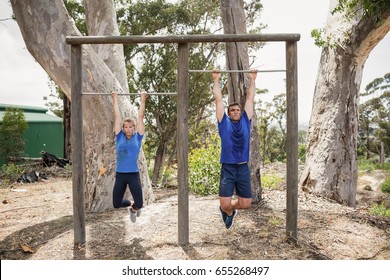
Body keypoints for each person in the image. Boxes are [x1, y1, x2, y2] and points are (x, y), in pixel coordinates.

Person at [211, 69, 257, 229]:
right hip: (228, 168)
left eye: (238, 110)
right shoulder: (224, 123)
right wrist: (216, 80)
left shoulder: (246, 120)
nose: (236, 112)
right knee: (224, 204)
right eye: (233, 110)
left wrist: (252, 79)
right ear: (229, 113)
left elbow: (250, 99)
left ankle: (232, 211)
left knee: (246, 204)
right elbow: (218, 100)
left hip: (243, 167)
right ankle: (227, 212)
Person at [111, 91, 147, 223]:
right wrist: (115, 98)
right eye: (126, 127)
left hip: (133, 174)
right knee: (116, 203)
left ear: (134, 127)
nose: (128, 129)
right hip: (120, 174)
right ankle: (130, 204)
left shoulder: (138, 137)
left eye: (131, 127)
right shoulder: (119, 136)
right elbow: (116, 115)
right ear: (123, 128)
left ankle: (133, 209)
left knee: (140, 204)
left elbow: (141, 116)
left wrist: (143, 99)